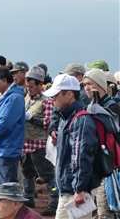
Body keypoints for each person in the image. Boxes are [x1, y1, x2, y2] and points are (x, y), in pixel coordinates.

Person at [43, 73, 101, 219]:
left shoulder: (80, 120)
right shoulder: (67, 118)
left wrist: (80, 189)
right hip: (69, 189)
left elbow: (81, 157)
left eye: (56, 95)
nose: (53, 99)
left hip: (75, 192)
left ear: (69, 94)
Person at [83, 68, 120, 219]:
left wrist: (99, 113)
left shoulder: (113, 107)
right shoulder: (90, 106)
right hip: (95, 165)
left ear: (100, 85)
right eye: (84, 84)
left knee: (106, 210)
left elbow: (114, 131)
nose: (86, 88)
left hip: (109, 166)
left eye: (90, 84)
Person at [21, 66, 57, 215]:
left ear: (39, 85)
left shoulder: (46, 101)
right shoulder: (27, 98)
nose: (29, 89)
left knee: (47, 175)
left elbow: (48, 123)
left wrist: (32, 118)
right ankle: (28, 197)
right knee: (27, 172)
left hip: (39, 144)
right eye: (27, 86)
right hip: (26, 143)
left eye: (31, 86)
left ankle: (55, 201)